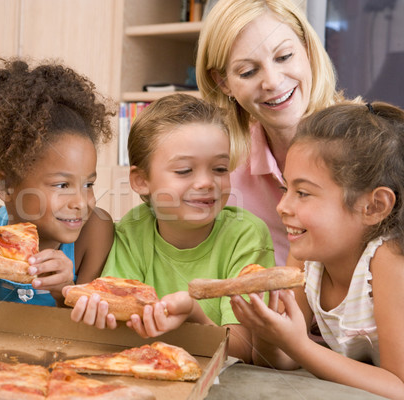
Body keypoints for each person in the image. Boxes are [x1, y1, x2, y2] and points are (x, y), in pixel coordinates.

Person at [66, 94, 275, 362]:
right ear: (141, 180)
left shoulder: (246, 236)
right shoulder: (133, 229)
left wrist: (193, 315)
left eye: (220, 168)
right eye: (185, 170)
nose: (205, 182)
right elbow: (118, 325)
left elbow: (243, 351)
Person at [230, 102, 404, 399]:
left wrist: (299, 344)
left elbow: (398, 386)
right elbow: (282, 361)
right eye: (286, 189)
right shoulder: (305, 255)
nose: (282, 207)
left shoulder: (389, 261)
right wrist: (270, 333)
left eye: (303, 193)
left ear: (373, 207)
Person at [0, 52, 116, 316]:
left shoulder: (95, 231)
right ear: (5, 186)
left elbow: (87, 340)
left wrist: (66, 291)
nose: (81, 202)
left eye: (89, 184)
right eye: (62, 185)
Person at [196, 0, 345, 265]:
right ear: (223, 82)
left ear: (307, 49)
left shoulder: (368, 146)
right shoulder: (226, 170)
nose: (273, 82)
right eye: (248, 71)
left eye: (284, 57)